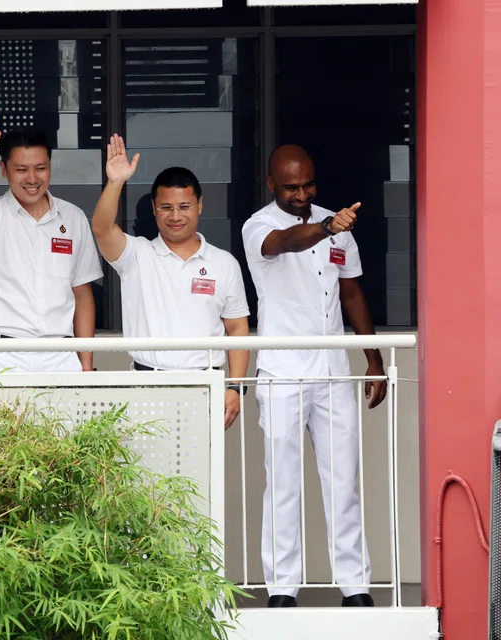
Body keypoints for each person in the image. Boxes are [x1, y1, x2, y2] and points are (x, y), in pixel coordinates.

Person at [241, 144, 388, 608]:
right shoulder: (259, 225)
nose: (301, 194)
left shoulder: (336, 223)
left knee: (343, 481)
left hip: (333, 370)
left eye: (307, 185)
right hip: (283, 370)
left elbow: (351, 293)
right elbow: (286, 242)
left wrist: (374, 359)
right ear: (271, 185)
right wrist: (325, 227)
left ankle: (355, 587)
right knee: (283, 483)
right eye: (291, 187)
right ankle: (282, 588)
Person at [92, 134, 250, 428]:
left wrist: (236, 386)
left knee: (202, 474)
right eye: (166, 207)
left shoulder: (224, 263)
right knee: (143, 473)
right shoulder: (137, 254)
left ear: (200, 205)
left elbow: (237, 327)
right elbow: (101, 229)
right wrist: (115, 182)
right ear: (154, 208)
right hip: (147, 387)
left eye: (184, 207)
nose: (175, 216)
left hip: (206, 388)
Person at [0, 106, 103, 374]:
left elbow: (82, 294)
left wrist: (86, 365)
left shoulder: (73, 217)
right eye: (21, 169)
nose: (32, 179)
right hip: (0, 355)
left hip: (61, 356)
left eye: (40, 168)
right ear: (3, 169)